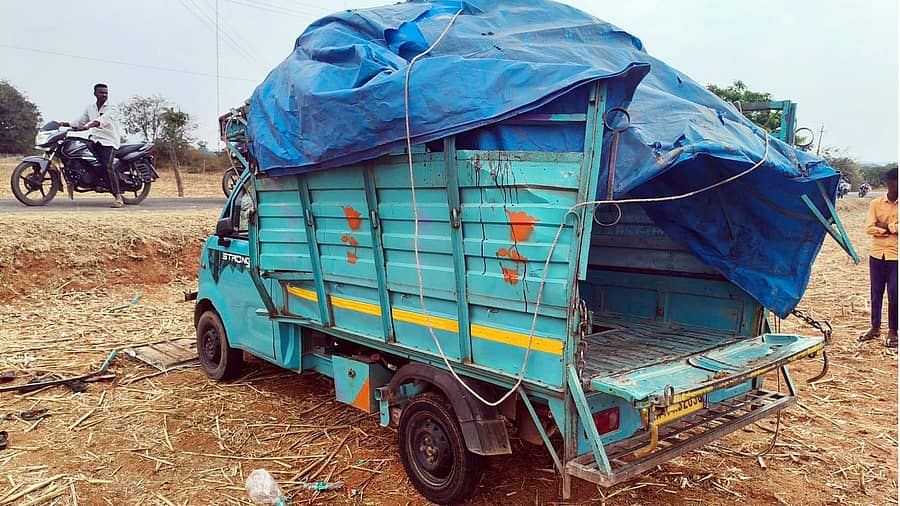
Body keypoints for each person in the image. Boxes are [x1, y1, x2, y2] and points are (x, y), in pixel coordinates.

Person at [59, 83, 124, 208]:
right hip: (95, 140)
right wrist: (63, 123)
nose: (104, 95)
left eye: (106, 93)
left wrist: (87, 126)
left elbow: (101, 121)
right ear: (95, 93)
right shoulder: (90, 108)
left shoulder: (112, 108)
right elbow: (79, 121)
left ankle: (118, 196)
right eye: (101, 92)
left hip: (109, 142)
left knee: (107, 166)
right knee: (81, 157)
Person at [858, 166, 898, 347]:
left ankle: (893, 331)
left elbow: (879, 228)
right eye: (896, 181)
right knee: (876, 293)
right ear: (889, 182)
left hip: (896, 257)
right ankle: (875, 328)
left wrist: (885, 226)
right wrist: (892, 227)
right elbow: (869, 228)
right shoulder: (875, 203)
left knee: (894, 293)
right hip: (877, 255)